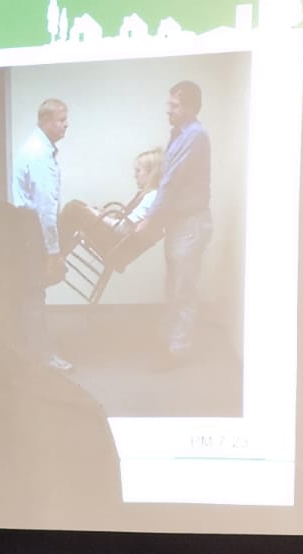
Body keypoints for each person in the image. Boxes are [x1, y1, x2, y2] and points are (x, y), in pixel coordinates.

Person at [130, 81, 212, 368]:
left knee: (183, 290)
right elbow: (167, 179)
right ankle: (170, 341)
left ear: (190, 107)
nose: (169, 109)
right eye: (169, 104)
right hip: (179, 223)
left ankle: (178, 350)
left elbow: (171, 181)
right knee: (174, 286)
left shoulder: (194, 136)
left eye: (174, 105)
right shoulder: (178, 134)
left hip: (191, 223)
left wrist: (150, 218)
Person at [12, 98, 71, 372]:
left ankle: (33, 353)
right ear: (46, 120)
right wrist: (53, 252)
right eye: (61, 120)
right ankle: (43, 357)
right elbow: (46, 209)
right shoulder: (39, 154)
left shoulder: (37, 148)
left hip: (27, 230)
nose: (66, 125)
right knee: (34, 295)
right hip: (33, 232)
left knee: (30, 293)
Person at [58, 147, 163, 261]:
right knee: (78, 205)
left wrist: (96, 214)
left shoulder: (151, 197)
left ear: (151, 173)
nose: (135, 175)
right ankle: (57, 256)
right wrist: (96, 214)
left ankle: (53, 257)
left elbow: (123, 229)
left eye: (138, 171)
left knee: (73, 208)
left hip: (113, 244)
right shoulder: (150, 195)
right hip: (115, 241)